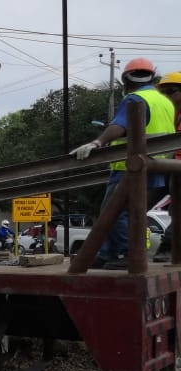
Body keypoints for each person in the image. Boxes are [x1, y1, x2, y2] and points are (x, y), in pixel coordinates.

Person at [72, 58, 174, 269]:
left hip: (130, 169)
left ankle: (126, 254)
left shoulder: (134, 99)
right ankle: (106, 253)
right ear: (152, 78)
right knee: (129, 212)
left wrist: (97, 142)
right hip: (159, 168)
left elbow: (119, 126)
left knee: (114, 213)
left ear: (124, 80)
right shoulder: (165, 102)